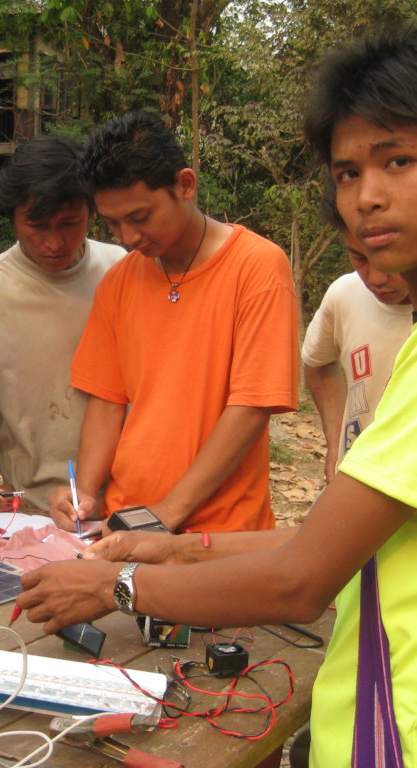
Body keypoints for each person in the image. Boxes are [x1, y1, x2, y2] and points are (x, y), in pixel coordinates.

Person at [18, 25, 417, 767]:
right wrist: (175, 551)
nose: (368, 198)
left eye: (400, 161)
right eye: (348, 173)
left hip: (415, 734)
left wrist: (117, 586)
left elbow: (301, 582)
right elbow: (352, 543)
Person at [49, 111, 298, 535]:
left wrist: (168, 512)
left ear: (185, 184)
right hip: (126, 522)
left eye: (140, 217)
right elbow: (108, 402)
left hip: (220, 531)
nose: (127, 237)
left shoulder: (256, 267)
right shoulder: (120, 281)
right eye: (112, 223)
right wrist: (85, 493)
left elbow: (252, 406)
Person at [0, 136, 125, 523]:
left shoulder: (123, 272)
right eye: (37, 225)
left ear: (91, 212)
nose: (53, 242)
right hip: (36, 511)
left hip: (133, 503)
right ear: (12, 216)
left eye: (69, 223)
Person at [302, 220, 411, 483]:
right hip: (356, 484)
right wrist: (336, 444)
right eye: (359, 257)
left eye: (390, 259)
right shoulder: (345, 295)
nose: (375, 277)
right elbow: (318, 362)